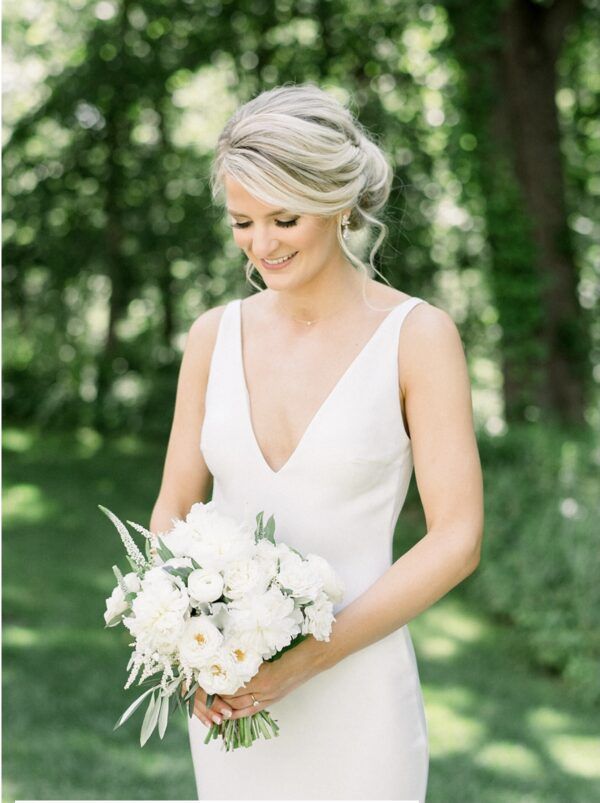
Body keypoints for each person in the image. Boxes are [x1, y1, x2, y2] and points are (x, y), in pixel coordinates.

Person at [150, 83, 484, 801]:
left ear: (338, 204)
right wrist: (187, 646)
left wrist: (303, 663)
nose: (262, 244)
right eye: (242, 222)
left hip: (360, 701)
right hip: (233, 701)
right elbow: (173, 509)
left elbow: (457, 539)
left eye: (285, 219)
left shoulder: (418, 337)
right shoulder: (212, 337)